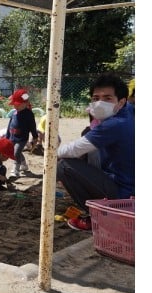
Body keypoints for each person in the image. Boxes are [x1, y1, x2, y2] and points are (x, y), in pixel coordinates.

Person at [57, 73, 135, 231]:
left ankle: (99, 216)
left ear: (121, 101)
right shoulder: (129, 111)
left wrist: (50, 150)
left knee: (64, 165)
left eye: (107, 98)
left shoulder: (115, 124)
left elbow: (71, 150)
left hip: (124, 191)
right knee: (89, 150)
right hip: (129, 182)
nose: (100, 103)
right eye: (95, 98)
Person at [5, 88, 38, 177]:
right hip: (12, 137)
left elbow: (32, 126)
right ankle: (24, 164)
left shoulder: (29, 114)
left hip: (22, 138)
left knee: (16, 152)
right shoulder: (14, 113)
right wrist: (7, 137)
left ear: (25, 103)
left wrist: (35, 136)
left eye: (17, 104)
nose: (15, 106)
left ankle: (15, 169)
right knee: (17, 152)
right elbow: (10, 125)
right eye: (14, 105)